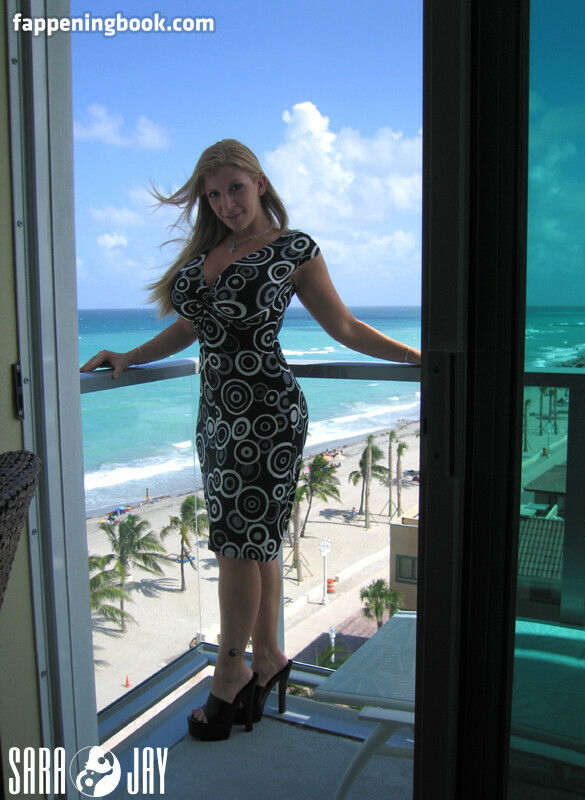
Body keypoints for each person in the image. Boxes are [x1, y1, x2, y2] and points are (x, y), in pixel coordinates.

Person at [81, 139, 421, 742]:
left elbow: (344, 326)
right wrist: (130, 356)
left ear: (260, 183)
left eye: (234, 188)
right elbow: (189, 327)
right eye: (213, 195)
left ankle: (228, 674)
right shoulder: (210, 251)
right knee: (254, 542)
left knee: (235, 546)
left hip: (267, 415)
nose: (225, 203)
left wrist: (416, 357)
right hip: (217, 417)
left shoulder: (294, 249)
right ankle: (267, 657)